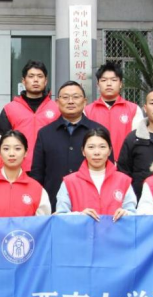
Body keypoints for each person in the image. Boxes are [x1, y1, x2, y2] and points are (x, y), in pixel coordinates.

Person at [31, 81, 106, 211]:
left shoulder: (99, 131)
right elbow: (38, 174)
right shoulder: (45, 133)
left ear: (85, 101)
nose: (70, 101)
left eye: (76, 97)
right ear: (57, 102)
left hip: (91, 207)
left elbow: (108, 171)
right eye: (65, 97)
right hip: (53, 206)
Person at [55, 127, 137, 221]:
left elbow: (133, 214)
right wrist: (80, 216)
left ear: (109, 151)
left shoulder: (123, 180)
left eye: (102, 147)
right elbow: (60, 216)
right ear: (83, 151)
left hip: (115, 230)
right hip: (82, 231)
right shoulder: (69, 182)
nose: (97, 152)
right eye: (91, 147)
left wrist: (126, 214)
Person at [0, 60, 60, 170]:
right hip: (18, 169)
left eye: (40, 76)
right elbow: (4, 141)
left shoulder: (57, 108)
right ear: (23, 81)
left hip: (50, 168)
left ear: (45, 81)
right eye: (31, 76)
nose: (35, 80)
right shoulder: (10, 109)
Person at [83, 62, 144, 159]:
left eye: (114, 80)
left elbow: (138, 141)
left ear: (120, 84)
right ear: (98, 85)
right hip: (96, 162)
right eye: (104, 80)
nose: (109, 84)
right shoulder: (87, 111)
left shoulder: (133, 109)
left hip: (125, 163)